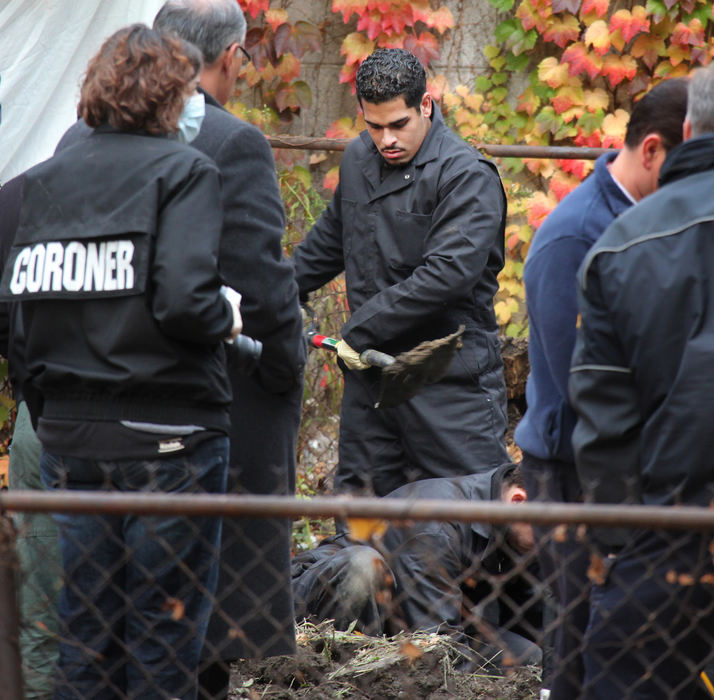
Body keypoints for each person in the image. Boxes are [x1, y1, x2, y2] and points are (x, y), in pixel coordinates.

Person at [58, 2, 307, 697]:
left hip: (79, 420)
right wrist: (282, 365)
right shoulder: (231, 147)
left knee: (94, 628)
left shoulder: (74, 148)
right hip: (190, 417)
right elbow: (253, 287)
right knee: (179, 634)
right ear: (230, 58)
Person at [0, 25, 241, 699]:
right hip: (169, 441)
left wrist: (52, 416)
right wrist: (229, 313)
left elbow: (21, 316)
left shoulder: (45, 180)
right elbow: (189, 301)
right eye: (191, 89)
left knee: (88, 632)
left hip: (73, 442)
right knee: (161, 639)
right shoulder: (184, 171)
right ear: (171, 95)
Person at [513, 78, 688, 698]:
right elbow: (573, 382)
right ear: (651, 151)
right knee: (580, 630)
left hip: (619, 459)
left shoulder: (647, 222)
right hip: (572, 468)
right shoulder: (574, 236)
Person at [292, 48, 510, 498]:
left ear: (425, 105)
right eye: (374, 127)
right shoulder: (357, 161)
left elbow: (447, 275)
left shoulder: (465, 175)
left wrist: (356, 332)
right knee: (360, 517)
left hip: (447, 381)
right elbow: (331, 241)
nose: (386, 139)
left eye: (399, 124)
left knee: (473, 519)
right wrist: (274, 291)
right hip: (372, 383)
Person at [568, 64, 714, 698]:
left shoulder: (621, 245)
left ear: (686, 128)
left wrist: (619, 546)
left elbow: (603, 421)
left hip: (663, 538)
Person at [292, 464, 542, 668]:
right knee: (363, 565)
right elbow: (435, 640)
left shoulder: (518, 531)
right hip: (329, 598)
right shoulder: (439, 524)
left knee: (528, 657)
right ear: (518, 501)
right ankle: (337, 675)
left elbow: (539, 617)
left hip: (411, 618)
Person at [0, 175, 62, 700]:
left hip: (40, 410)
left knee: (40, 592)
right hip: (123, 419)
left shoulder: (16, 193)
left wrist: (28, 383)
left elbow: (5, 316)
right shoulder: (150, 182)